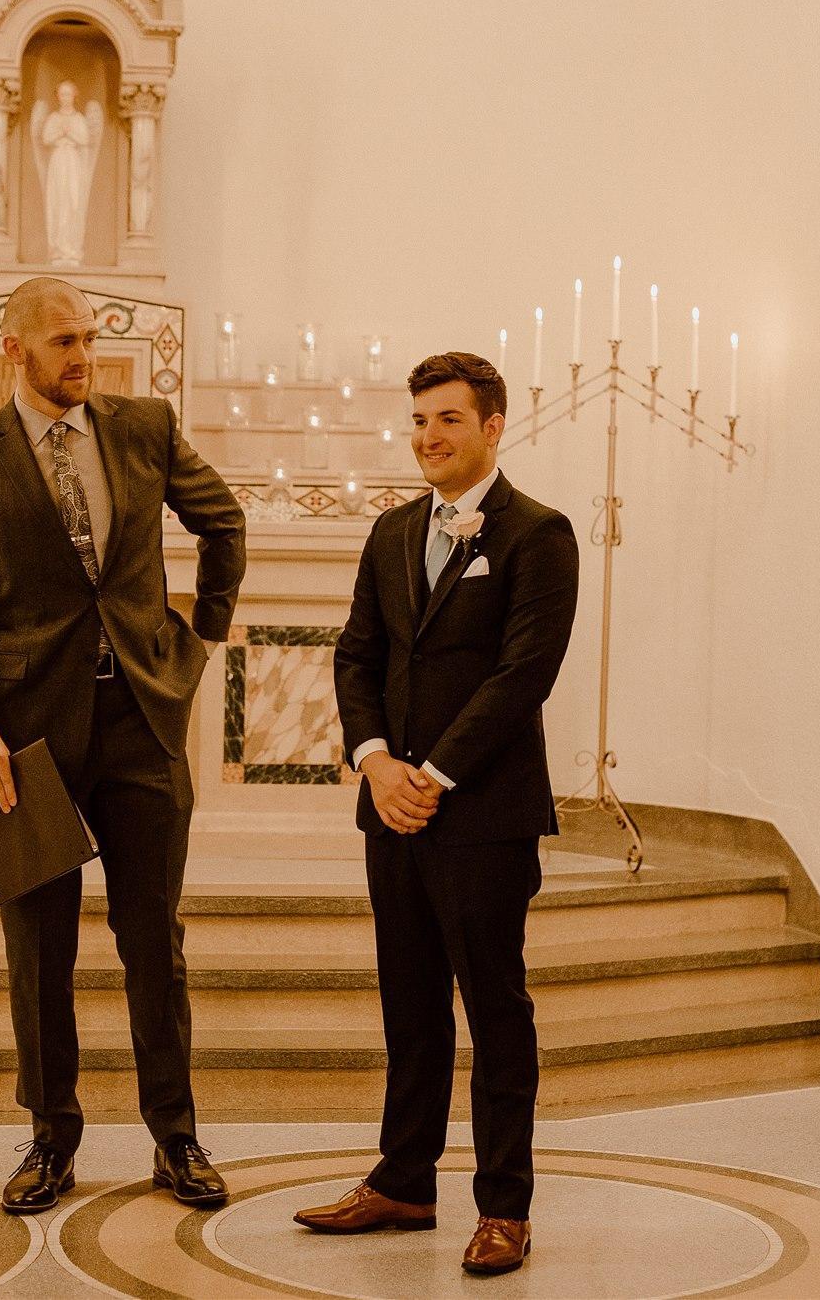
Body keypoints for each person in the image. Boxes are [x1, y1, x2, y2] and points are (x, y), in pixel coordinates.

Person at [0, 276, 245, 1214]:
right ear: (14, 349)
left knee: (154, 942)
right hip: (26, 740)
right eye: (63, 342)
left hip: (142, 722)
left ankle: (175, 1136)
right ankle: (51, 1138)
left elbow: (223, 522)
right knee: (38, 952)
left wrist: (196, 640)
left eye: (89, 339)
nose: (83, 357)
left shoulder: (145, 426)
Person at [295, 351, 579, 1276]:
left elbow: (523, 673)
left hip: (483, 815)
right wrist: (376, 762)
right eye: (419, 420)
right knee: (410, 1005)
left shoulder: (540, 533)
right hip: (392, 811)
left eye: (447, 419)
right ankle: (404, 1180)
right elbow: (357, 655)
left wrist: (435, 773)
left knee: (496, 1010)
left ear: (493, 426)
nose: (428, 437)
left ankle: (504, 1206)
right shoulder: (390, 531)